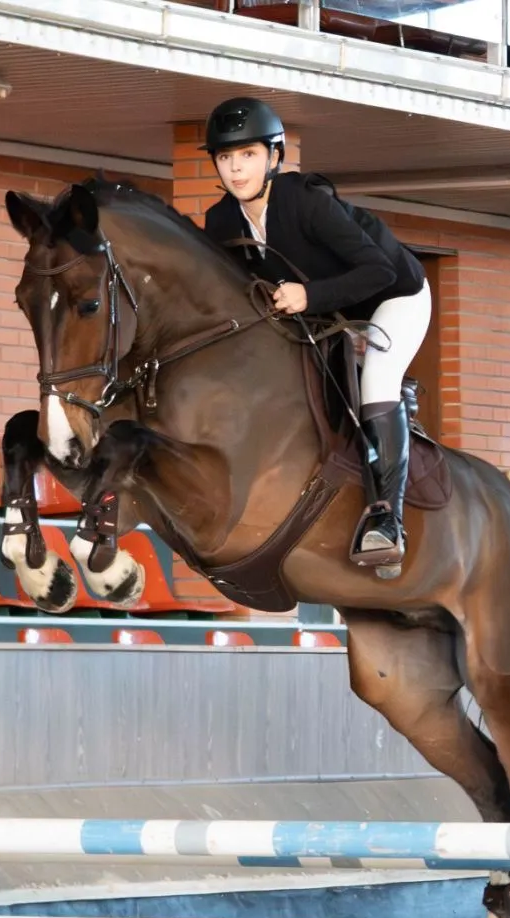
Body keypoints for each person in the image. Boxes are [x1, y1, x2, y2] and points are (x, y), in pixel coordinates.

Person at [198, 96, 431, 574]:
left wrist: (309, 295)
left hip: (393, 295)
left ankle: (387, 521)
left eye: (248, 154)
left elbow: (380, 271)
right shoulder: (221, 221)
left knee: (376, 381)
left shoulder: (305, 201)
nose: (235, 169)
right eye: (225, 157)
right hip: (328, 311)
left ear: (273, 157)